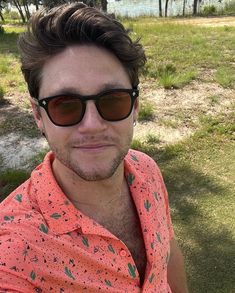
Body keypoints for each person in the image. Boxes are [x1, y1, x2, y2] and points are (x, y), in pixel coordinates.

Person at [0, 3, 188, 292]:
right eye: (65, 105)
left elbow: (168, 255)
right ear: (38, 116)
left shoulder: (146, 169)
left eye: (113, 100)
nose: (92, 124)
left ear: (135, 108)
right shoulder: (13, 252)